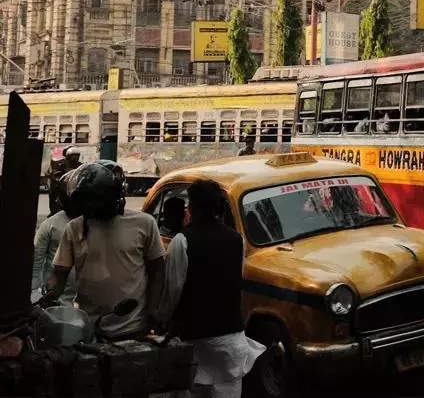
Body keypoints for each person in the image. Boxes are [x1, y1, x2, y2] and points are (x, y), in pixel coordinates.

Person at [159, 180, 264, 398]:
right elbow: (237, 283)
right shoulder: (237, 240)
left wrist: (163, 322)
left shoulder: (182, 241)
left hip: (194, 337)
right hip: (230, 338)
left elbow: (172, 291)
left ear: (192, 207)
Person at [43, 161, 166, 339]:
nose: (91, 208)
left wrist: (153, 310)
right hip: (89, 327)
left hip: (133, 327)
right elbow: (59, 273)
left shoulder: (145, 223)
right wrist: (49, 294)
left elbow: (157, 271)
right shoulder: (74, 228)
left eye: (96, 201)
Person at [32, 179, 80, 305]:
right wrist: (34, 293)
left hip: (85, 297)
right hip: (58, 299)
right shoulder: (50, 225)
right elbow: (36, 261)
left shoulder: (93, 223)